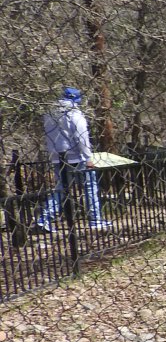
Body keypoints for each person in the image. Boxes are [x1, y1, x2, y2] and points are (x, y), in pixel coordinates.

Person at [32, 87, 111, 233]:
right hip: (77, 156)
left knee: (61, 188)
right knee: (90, 187)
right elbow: (82, 138)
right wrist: (88, 157)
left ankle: (44, 219)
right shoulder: (75, 114)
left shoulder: (50, 114)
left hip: (58, 157)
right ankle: (95, 219)